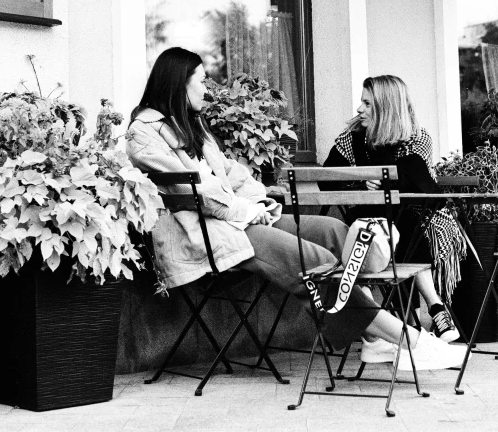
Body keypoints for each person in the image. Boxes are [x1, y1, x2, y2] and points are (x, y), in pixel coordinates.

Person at [125, 47, 464, 371]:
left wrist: (262, 199)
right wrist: (247, 211)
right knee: (314, 263)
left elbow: (230, 173)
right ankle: (411, 342)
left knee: (334, 232)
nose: (205, 88)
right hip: (207, 233)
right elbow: (195, 188)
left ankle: (372, 337)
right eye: (200, 80)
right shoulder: (144, 133)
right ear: (177, 83)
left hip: (238, 219)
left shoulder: (190, 124)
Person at [323, 75, 466, 344]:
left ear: (385, 107)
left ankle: (411, 321)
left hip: (411, 220)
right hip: (369, 224)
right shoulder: (353, 138)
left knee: (406, 220)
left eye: (367, 103)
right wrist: (360, 181)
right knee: (391, 223)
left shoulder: (415, 138)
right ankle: (434, 308)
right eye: (361, 102)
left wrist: (389, 180)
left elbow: (421, 186)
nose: (359, 109)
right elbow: (326, 178)